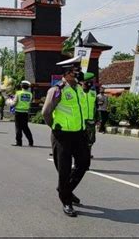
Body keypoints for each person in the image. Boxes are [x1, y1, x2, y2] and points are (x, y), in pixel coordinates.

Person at [41, 58, 90, 217]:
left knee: (83, 163)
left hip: (80, 134)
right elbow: (46, 112)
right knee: (64, 169)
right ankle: (66, 200)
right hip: (62, 135)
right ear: (68, 73)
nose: (79, 74)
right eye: (76, 72)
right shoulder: (57, 90)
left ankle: (65, 189)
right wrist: (55, 127)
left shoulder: (80, 89)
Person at [12, 81, 34, 147]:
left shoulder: (18, 93)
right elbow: (30, 102)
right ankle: (31, 142)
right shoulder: (30, 94)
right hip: (25, 113)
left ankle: (19, 142)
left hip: (18, 112)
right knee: (25, 128)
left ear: (21, 86)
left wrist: (9, 102)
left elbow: (14, 103)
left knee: (18, 127)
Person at [82, 72, 97, 159]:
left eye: (91, 81)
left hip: (91, 121)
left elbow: (95, 107)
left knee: (90, 141)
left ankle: (87, 157)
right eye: (87, 81)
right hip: (80, 122)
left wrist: (97, 119)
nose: (90, 83)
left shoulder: (93, 93)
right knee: (80, 142)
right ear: (82, 82)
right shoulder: (78, 93)